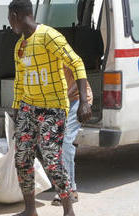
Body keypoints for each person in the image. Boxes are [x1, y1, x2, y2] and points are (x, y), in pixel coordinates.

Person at [8, 0, 92, 216]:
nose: (10, 24)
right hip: (28, 107)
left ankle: (68, 210)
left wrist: (83, 101)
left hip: (52, 108)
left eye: (10, 18)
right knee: (22, 158)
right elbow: (19, 81)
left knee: (52, 159)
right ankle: (30, 210)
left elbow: (77, 63)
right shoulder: (19, 46)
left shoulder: (48, 36)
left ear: (16, 15)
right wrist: (17, 109)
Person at [51, 67, 93, 206]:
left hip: (77, 99)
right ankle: (59, 183)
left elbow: (79, 68)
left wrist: (84, 103)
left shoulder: (60, 50)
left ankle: (70, 189)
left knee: (65, 140)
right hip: (59, 101)